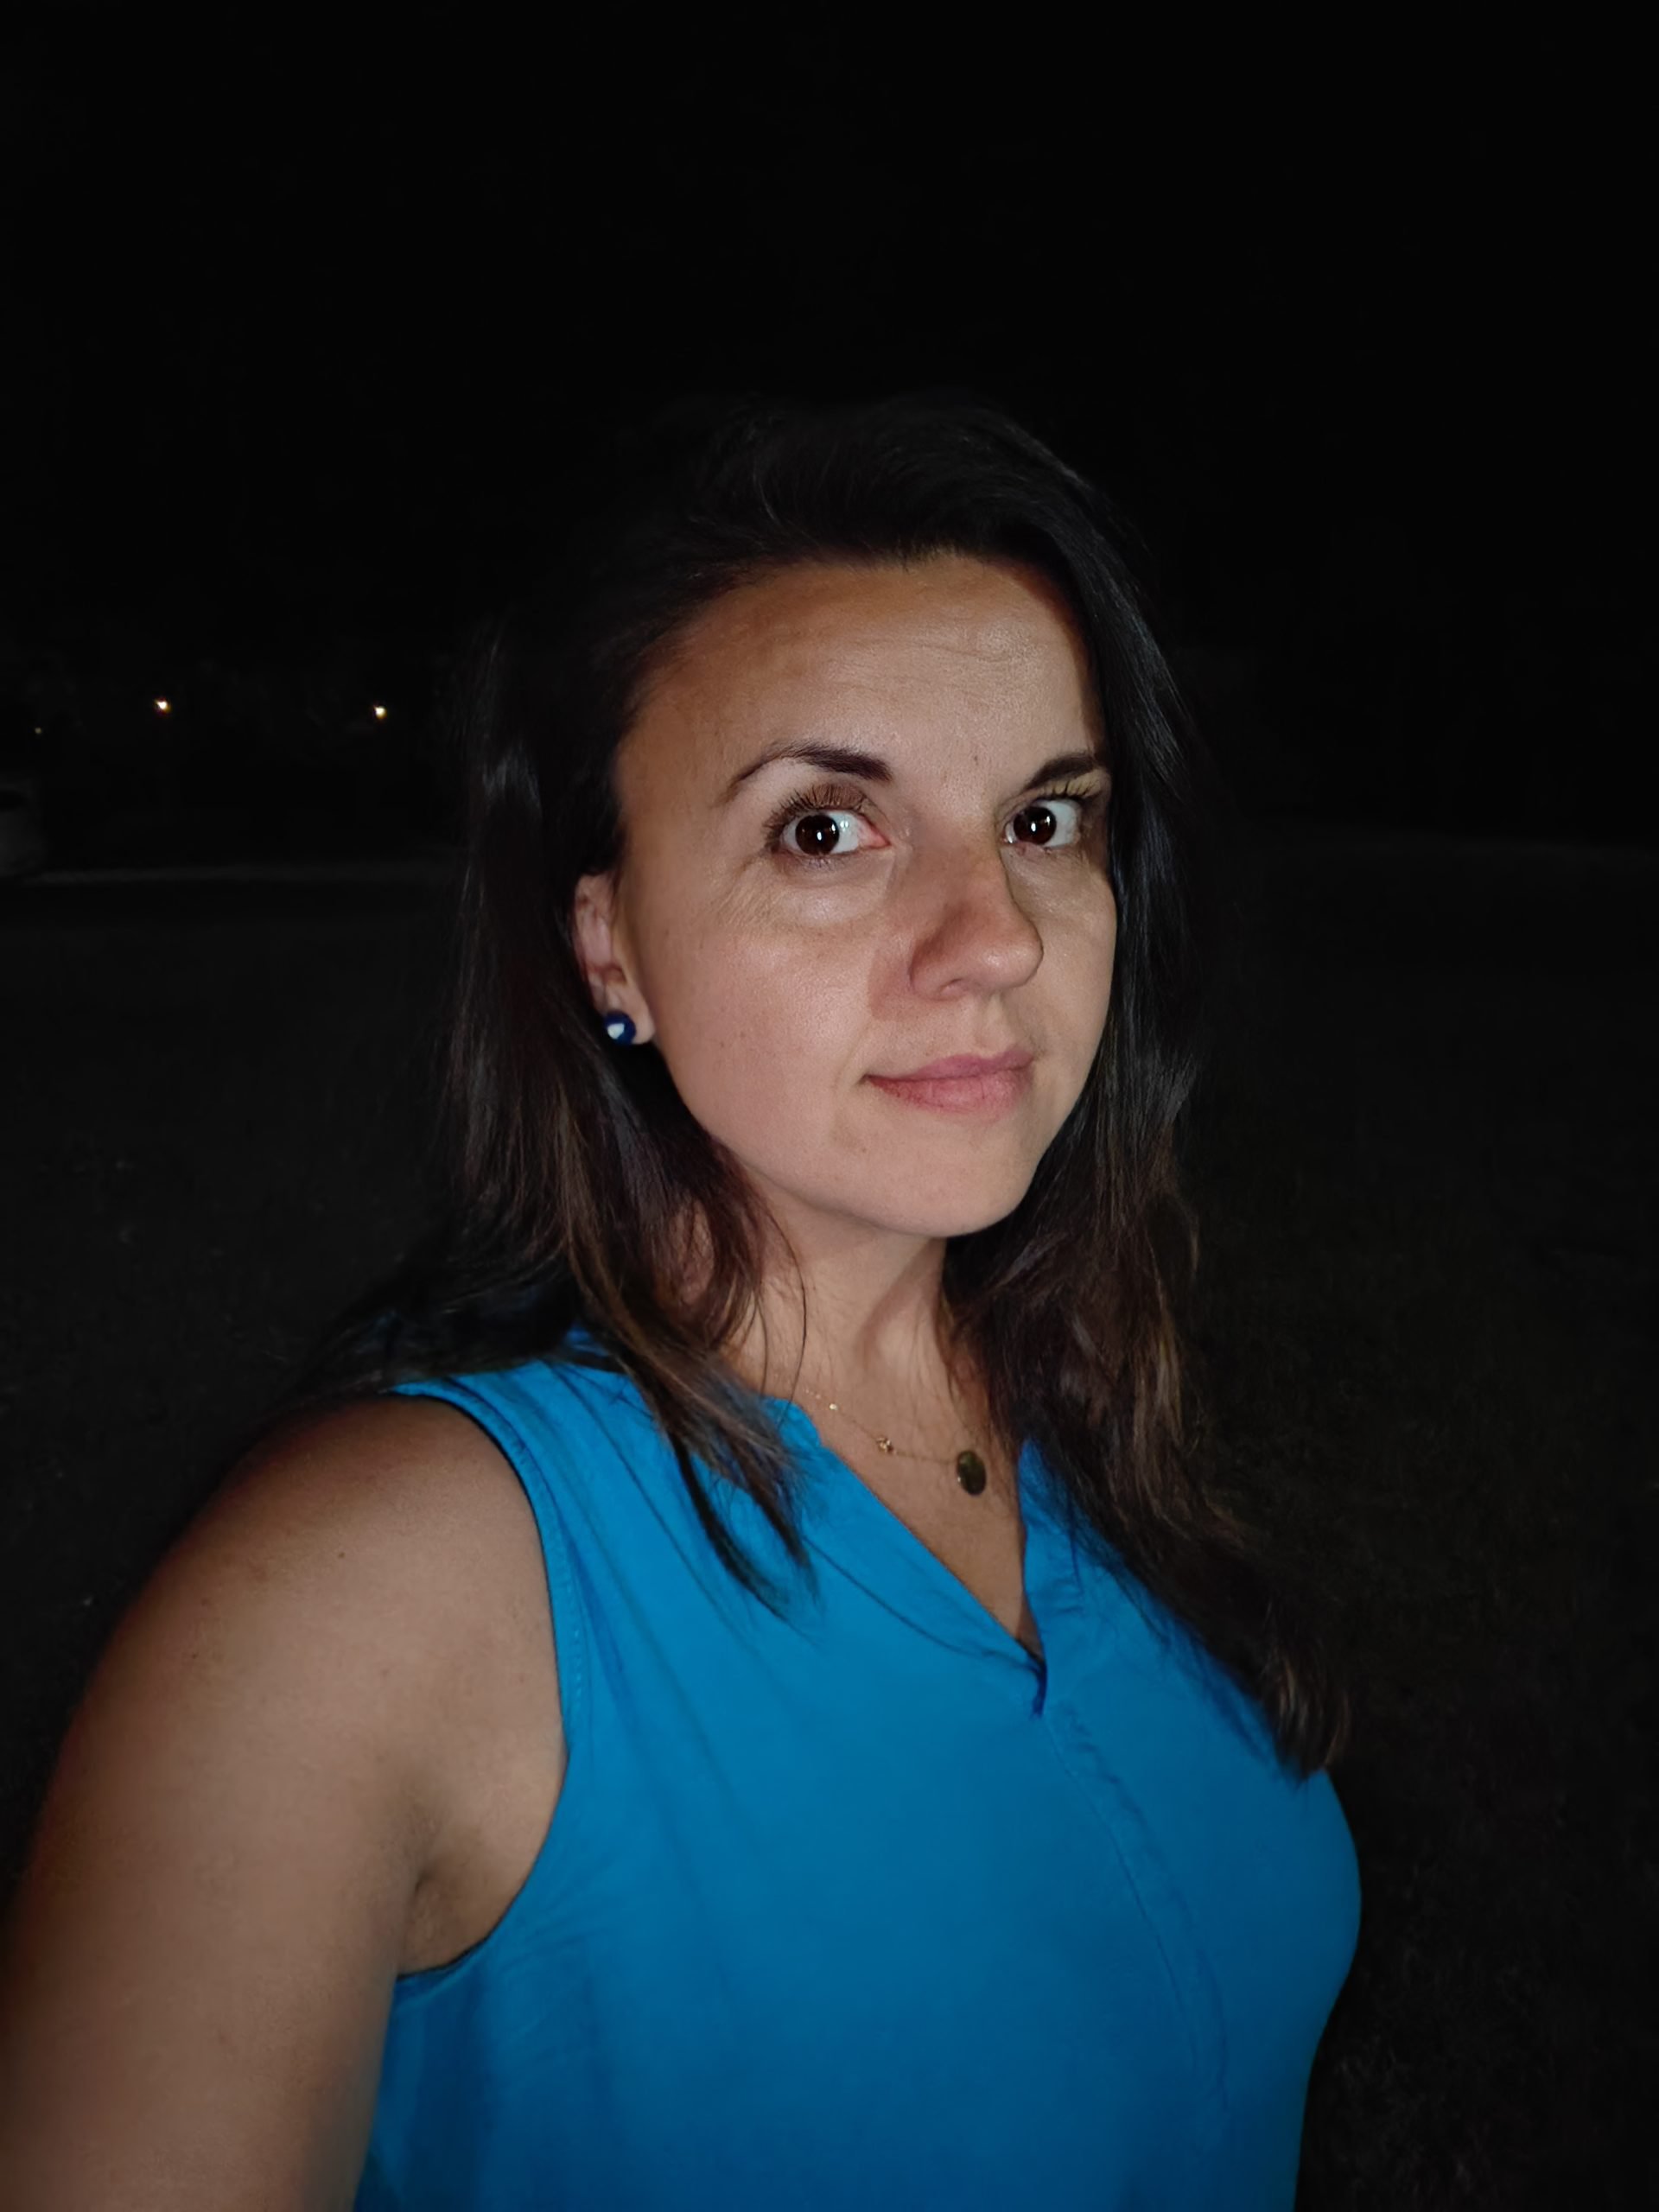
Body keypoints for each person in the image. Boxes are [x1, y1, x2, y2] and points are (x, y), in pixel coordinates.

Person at [0, 389, 1361, 2207]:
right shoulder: (360, 1598)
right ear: (607, 942)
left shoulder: (1083, 1390)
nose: (999, 937)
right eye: (826, 831)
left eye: (1046, 815)